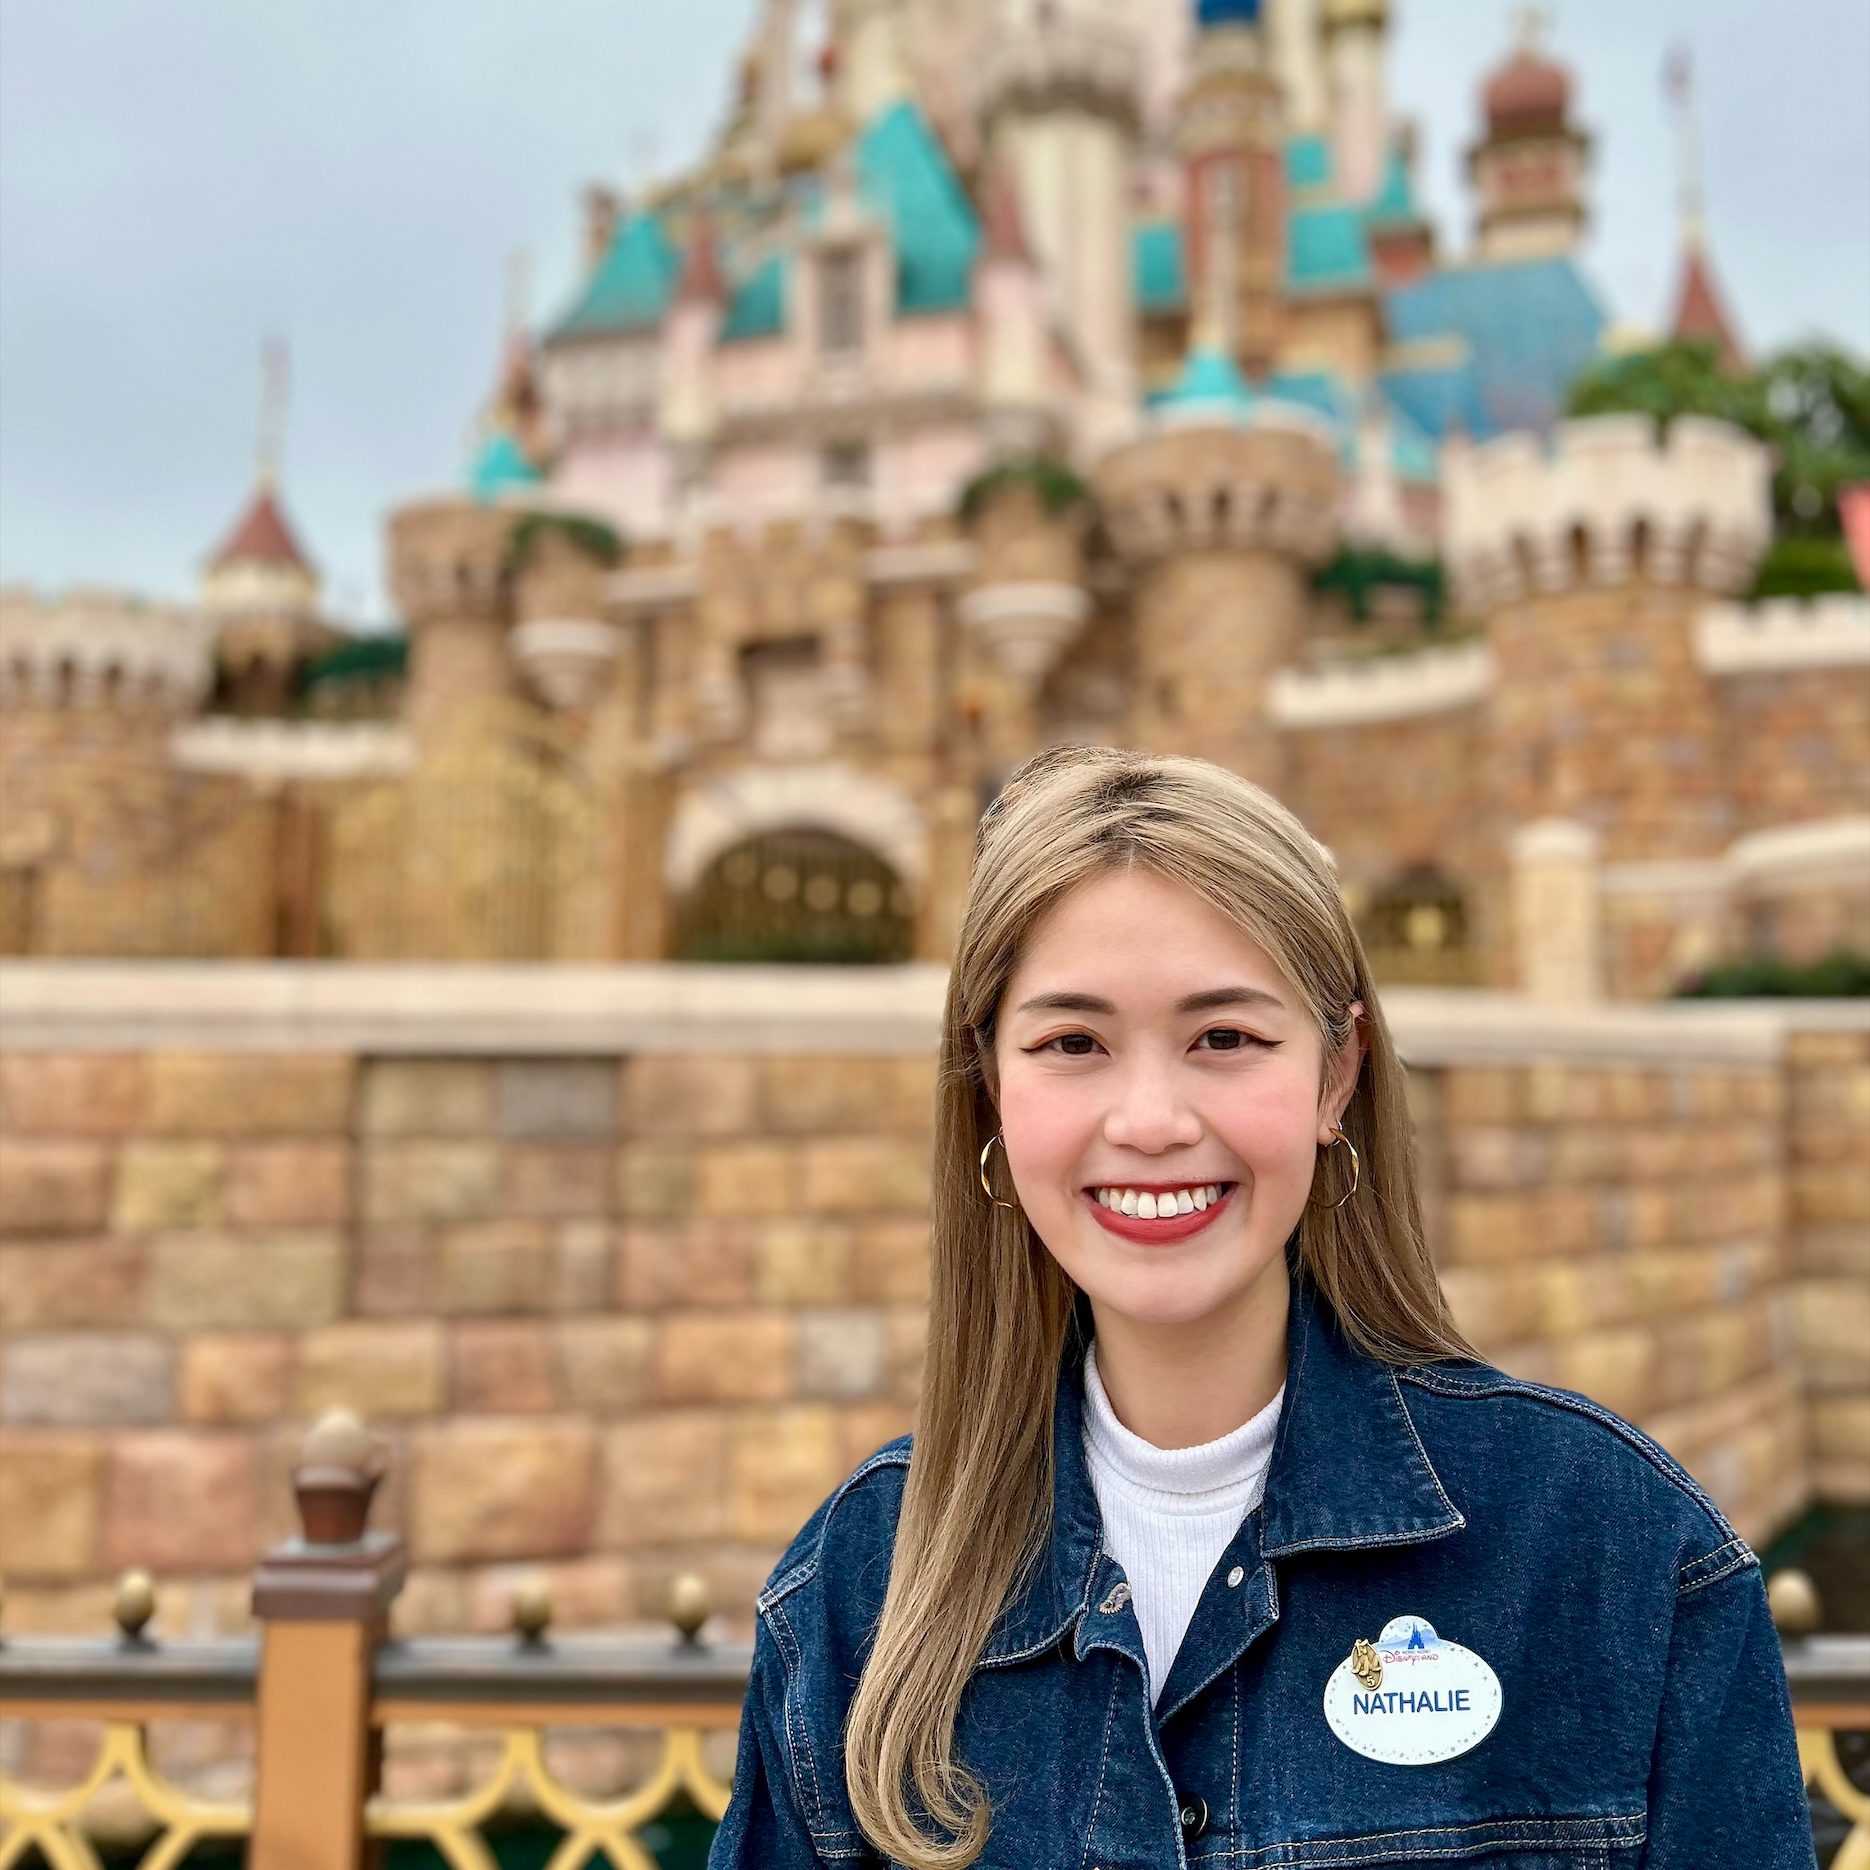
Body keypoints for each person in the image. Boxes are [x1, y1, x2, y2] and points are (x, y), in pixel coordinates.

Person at [707, 744, 1814, 1869]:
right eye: (1071, 1042)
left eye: (1224, 1038)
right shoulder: (855, 1583)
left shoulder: (1607, 1544)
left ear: (1336, 1076)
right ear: (991, 1081)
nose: (1148, 1119)